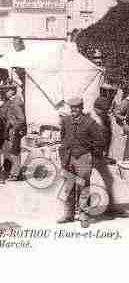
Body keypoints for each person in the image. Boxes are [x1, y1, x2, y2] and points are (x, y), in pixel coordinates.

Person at [58, 97, 105, 228]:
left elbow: (100, 141)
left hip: (83, 157)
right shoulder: (66, 121)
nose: (74, 110)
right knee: (68, 187)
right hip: (67, 157)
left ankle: (84, 215)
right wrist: (64, 151)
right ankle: (68, 214)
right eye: (72, 108)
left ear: (81, 108)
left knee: (83, 187)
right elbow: (63, 136)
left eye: (77, 108)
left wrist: (91, 155)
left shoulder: (90, 123)